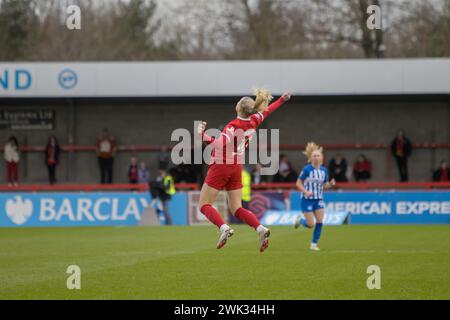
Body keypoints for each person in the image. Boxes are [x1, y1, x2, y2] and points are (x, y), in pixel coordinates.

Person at [197, 89, 292, 252]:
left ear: (239, 108)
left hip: (221, 164)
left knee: (204, 204)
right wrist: (282, 99)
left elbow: (219, 144)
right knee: (236, 208)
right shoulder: (254, 120)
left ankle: (223, 228)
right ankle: (260, 228)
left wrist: (202, 135)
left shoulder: (233, 125)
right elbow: (268, 110)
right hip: (236, 166)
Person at [294, 142, 336, 251]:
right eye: (314, 156)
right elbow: (298, 183)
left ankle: (314, 244)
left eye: (318, 155)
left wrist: (330, 184)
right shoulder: (307, 169)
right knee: (310, 224)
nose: (316, 157)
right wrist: (306, 191)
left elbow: (324, 185)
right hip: (306, 199)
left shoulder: (324, 170)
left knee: (320, 220)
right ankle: (301, 220)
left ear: (321, 157)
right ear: (310, 158)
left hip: (318, 199)